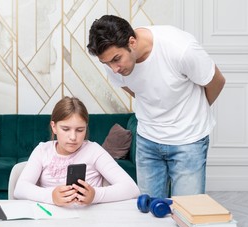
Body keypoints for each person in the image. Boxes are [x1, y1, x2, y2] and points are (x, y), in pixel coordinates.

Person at [87, 15, 226, 198]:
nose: (114, 69)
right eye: (107, 63)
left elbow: (216, 81)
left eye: (116, 59)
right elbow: (136, 90)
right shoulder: (113, 63)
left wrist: (195, 111)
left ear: (132, 42)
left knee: (187, 213)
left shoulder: (179, 48)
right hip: (147, 141)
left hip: (188, 140)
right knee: (149, 215)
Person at [14, 96, 140, 206]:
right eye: (66, 129)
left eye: (80, 130)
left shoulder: (94, 150)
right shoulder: (42, 150)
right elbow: (20, 189)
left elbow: (131, 188)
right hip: (50, 220)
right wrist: (51, 196)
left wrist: (95, 195)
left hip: (88, 220)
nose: (73, 137)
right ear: (54, 127)